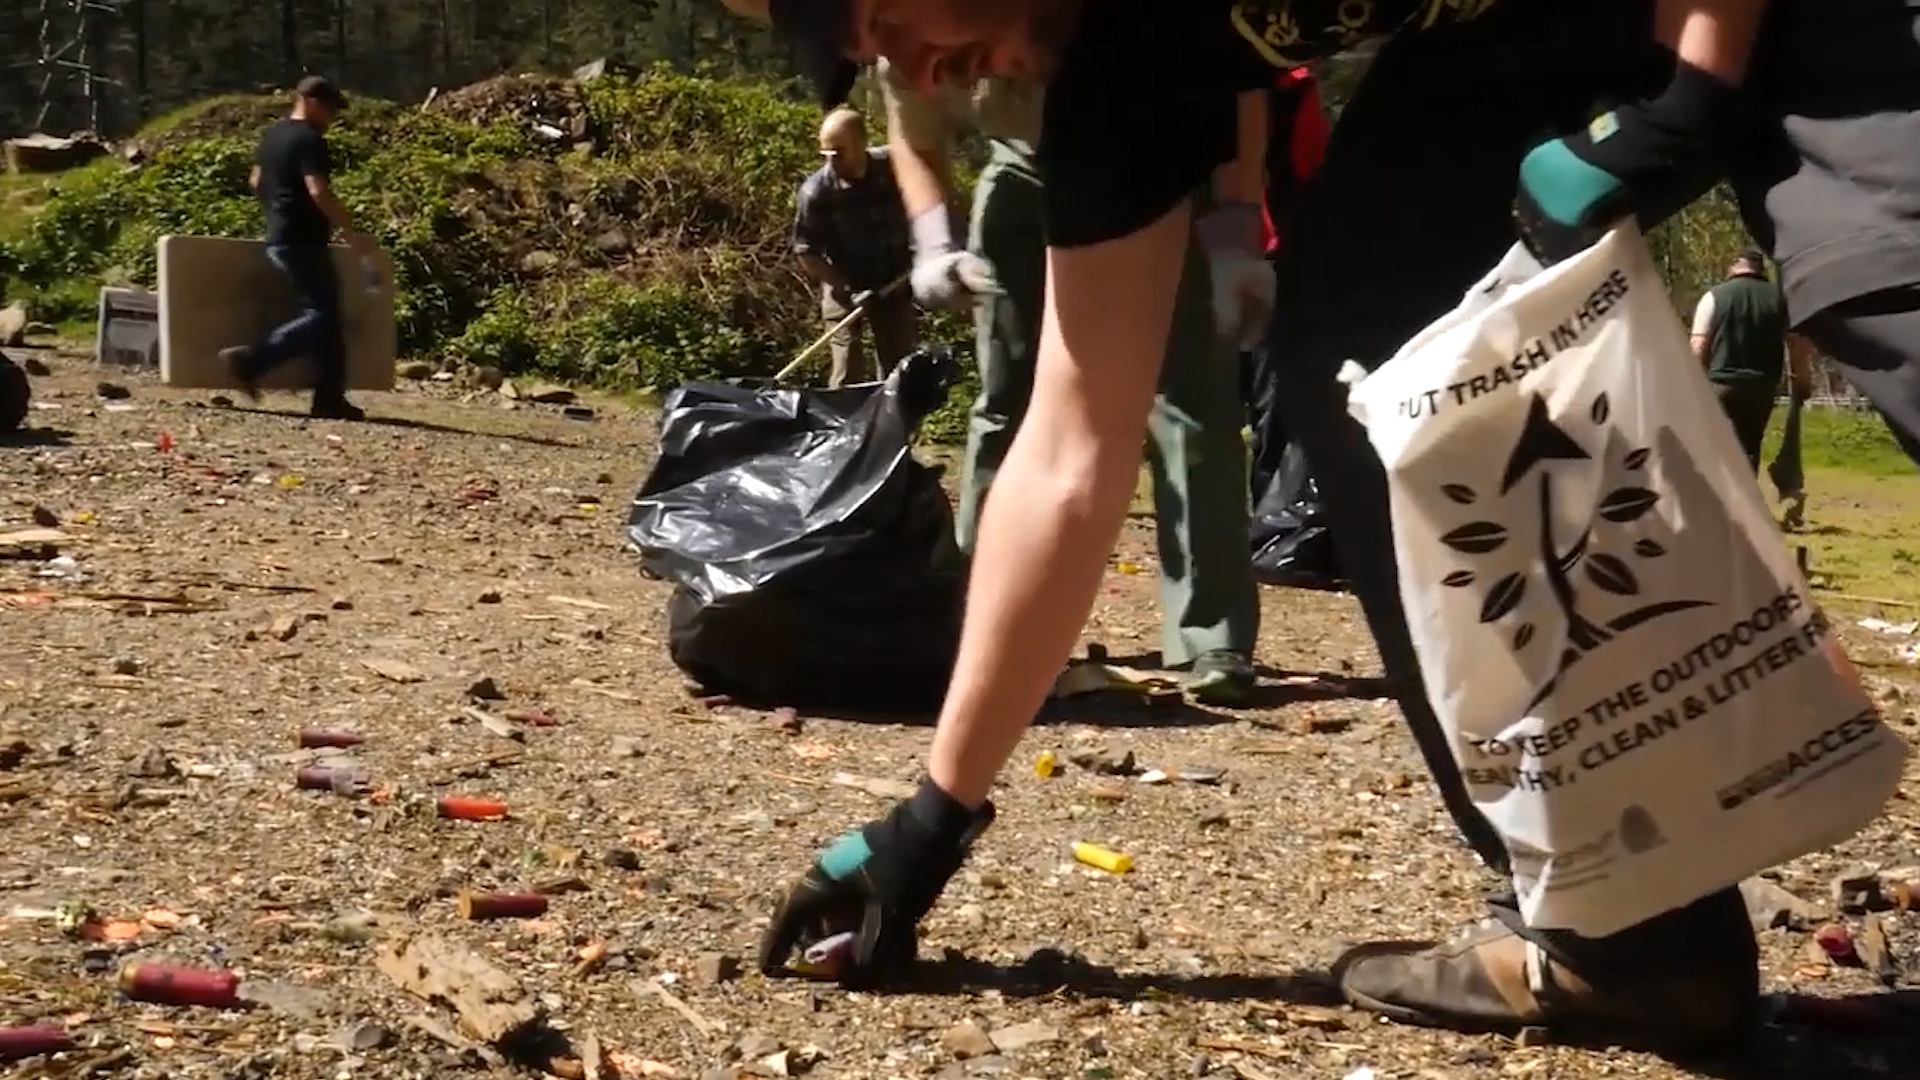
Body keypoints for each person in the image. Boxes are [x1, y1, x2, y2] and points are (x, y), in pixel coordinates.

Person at [729, 0, 1920, 1052]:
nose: (917, 76)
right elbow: (1073, 441)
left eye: (882, 20)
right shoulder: (1120, 66)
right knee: (1361, 329)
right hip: (1515, 34)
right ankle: (1629, 934)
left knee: (1889, 278)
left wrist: (1696, 87)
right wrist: (931, 820)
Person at [879, 62, 1262, 702]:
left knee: (1194, 409)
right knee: (1008, 405)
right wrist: (934, 245)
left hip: (1159, 173)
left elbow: (1240, 93)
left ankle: (1211, 636)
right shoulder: (903, 30)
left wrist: (1235, 239)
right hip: (1026, 177)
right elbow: (914, 136)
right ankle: (975, 623)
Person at [220, 75, 376, 421]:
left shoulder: (273, 135)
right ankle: (252, 361)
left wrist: (277, 209)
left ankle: (330, 398)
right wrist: (350, 232)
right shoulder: (310, 140)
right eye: (331, 110)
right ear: (312, 102)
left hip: (279, 235)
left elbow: (256, 181)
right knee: (325, 315)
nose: (332, 119)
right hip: (303, 239)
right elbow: (318, 190)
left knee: (329, 318)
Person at [1243, 65, 1330, 506]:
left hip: (1197, 253)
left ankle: (1260, 512)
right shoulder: (1293, 86)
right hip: (1269, 253)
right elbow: (1310, 171)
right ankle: (1269, 510)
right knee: (1271, 397)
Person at [791, 107, 918, 387]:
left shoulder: (893, 167)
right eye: (826, 154)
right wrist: (848, 289)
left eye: (838, 153)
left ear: (861, 143)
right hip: (844, 289)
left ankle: (895, 428)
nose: (831, 162)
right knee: (847, 373)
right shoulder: (816, 192)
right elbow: (806, 251)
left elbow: (924, 200)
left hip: (893, 283)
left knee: (900, 372)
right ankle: (844, 425)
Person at [1689, 249, 1813, 467]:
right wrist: (1801, 382)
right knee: (1750, 448)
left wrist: (1692, 386)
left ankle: (1720, 497)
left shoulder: (1714, 297)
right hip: (1762, 386)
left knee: (1717, 447)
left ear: (1733, 267)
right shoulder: (1781, 299)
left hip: (1721, 383)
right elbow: (1798, 345)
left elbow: (1698, 345)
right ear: (1760, 268)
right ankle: (1746, 496)